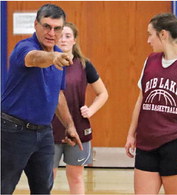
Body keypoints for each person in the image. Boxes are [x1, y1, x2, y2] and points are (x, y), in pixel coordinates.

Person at [1, 4, 82, 194]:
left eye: (57, 28)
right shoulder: (24, 48)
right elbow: (34, 58)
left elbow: (58, 95)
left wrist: (70, 126)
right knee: (3, 187)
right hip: (13, 131)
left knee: (43, 188)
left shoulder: (59, 57)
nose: (51, 33)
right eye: (46, 26)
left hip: (44, 133)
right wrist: (53, 57)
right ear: (36, 25)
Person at [125, 13, 177, 194]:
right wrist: (131, 134)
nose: (147, 40)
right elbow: (141, 99)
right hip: (146, 142)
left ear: (163, 34)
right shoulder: (150, 61)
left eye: (150, 34)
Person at [52, 22, 108, 194]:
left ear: (74, 40)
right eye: (60, 35)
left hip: (78, 128)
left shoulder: (84, 65)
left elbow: (103, 93)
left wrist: (90, 110)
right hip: (49, 130)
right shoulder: (46, 63)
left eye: (68, 36)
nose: (63, 39)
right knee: (46, 177)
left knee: (76, 177)